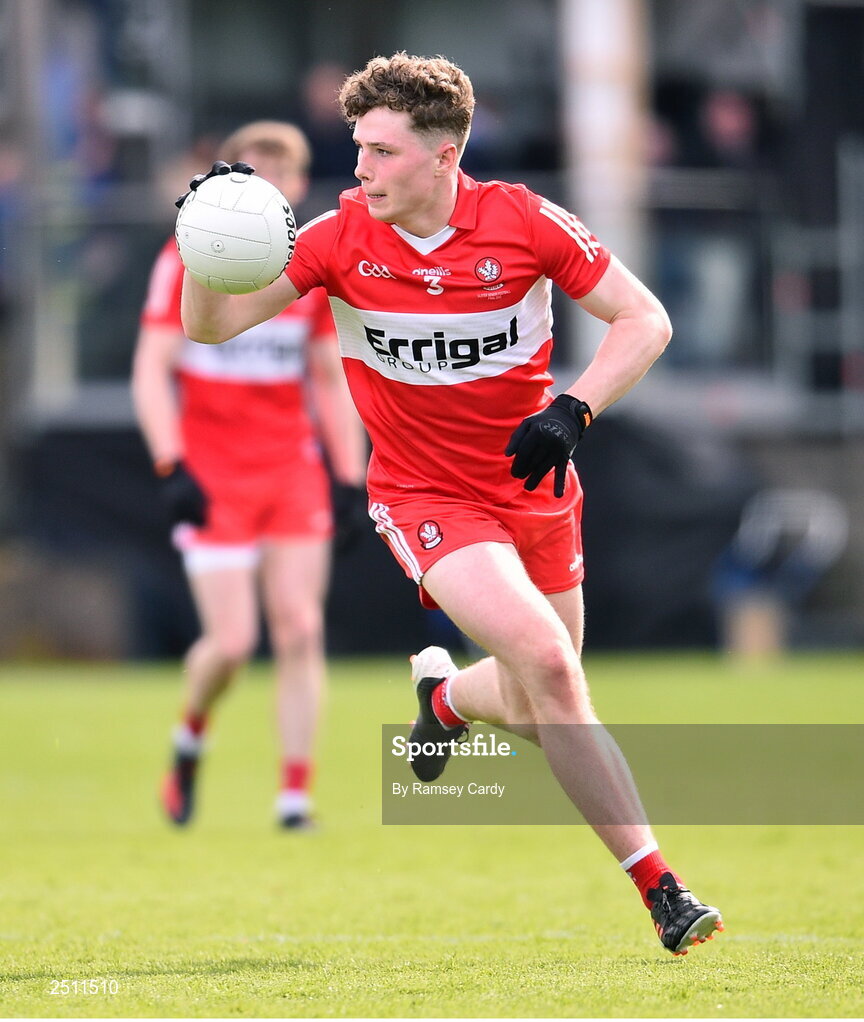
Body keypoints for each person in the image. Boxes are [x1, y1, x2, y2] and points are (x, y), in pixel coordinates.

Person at [178, 54, 724, 954]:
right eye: (358, 148)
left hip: (537, 485)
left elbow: (646, 320)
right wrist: (205, 243)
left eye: (382, 152)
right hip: (425, 496)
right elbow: (211, 325)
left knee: (535, 693)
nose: (360, 169)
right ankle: (663, 889)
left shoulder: (521, 221)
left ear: (444, 156)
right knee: (552, 668)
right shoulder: (337, 237)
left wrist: (575, 408)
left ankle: (445, 703)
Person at [132, 120, 367, 830]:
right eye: (247, 174)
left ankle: (294, 798)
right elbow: (151, 369)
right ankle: (189, 738)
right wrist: (171, 463)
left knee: (299, 627)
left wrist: (351, 477)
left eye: (275, 176)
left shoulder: (306, 272)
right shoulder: (186, 259)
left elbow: (329, 379)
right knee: (231, 644)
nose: (261, 187)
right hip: (212, 474)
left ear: (296, 188)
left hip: (289, 471)